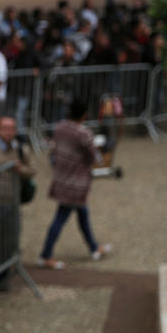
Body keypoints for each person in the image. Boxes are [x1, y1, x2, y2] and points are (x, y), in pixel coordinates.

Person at [38, 100, 111, 270]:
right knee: (62, 216)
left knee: (82, 212)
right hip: (76, 182)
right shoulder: (83, 133)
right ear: (84, 114)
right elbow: (92, 156)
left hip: (61, 177)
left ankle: (94, 247)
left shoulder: (60, 127)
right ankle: (46, 255)